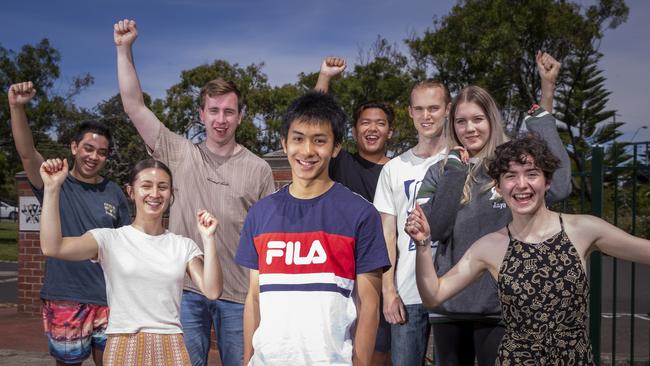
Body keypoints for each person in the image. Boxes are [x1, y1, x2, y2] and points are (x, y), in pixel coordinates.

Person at [114, 19, 275, 366]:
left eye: (229, 111)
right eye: (214, 111)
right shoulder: (180, 153)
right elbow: (134, 106)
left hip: (238, 294)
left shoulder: (259, 169)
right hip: (185, 290)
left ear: (240, 117)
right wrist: (124, 49)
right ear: (202, 114)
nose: (221, 119)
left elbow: (267, 238)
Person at [407, 135, 650, 364]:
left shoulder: (583, 229)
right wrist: (423, 246)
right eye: (511, 176)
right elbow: (433, 295)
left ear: (547, 181)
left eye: (532, 174)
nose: (521, 184)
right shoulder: (490, 246)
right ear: (498, 187)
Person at [416, 52, 571, 365]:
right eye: (461, 121)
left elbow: (562, 186)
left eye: (478, 119)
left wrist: (544, 111)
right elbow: (437, 227)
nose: (469, 128)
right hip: (450, 307)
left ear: (491, 120)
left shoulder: (512, 168)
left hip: (503, 308)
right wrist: (457, 171)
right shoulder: (440, 170)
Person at [235, 91, 390, 365]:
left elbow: (370, 305)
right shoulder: (260, 214)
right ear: (284, 143)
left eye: (319, 141)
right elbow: (254, 298)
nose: (307, 151)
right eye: (298, 139)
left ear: (336, 148)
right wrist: (248, 359)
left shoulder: (361, 214)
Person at [39, 158, 223, 366]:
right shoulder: (109, 239)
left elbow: (212, 290)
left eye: (162, 187)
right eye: (146, 186)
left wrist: (209, 239)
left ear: (171, 194)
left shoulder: (182, 245)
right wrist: (52, 188)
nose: (154, 194)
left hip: (171, 344)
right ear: (130, 191)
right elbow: (52, 247)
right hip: (123, 343)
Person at [8, 81, 131, 366]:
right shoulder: (54, 181)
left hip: (109, 300)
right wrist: (17, 107)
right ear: (74, 147)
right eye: (88, 148)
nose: (94, 156)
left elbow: (126, 244)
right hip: (64, 296)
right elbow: (27, 153)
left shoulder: (114, 192)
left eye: (101, 152)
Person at [316, 56, 394, 363]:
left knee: (377, 352)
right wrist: (325, 77)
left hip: (382, 274)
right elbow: (316, 119)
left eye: (380, 123)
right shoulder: (340, 162)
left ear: (390, 130)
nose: (372, 128)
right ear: (354, 129)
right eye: (365, 122)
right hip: (339, 272)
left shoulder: (399, 169)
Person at [372, 78, 451, 365]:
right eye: (419, 109)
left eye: (433, 108)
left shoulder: (461, 161)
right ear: (410, 112)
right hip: (407, 292)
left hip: (452, 288)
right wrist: (388, 290)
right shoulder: (394, 169)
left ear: (447, 110)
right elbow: (387, 235)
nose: (426, 116)